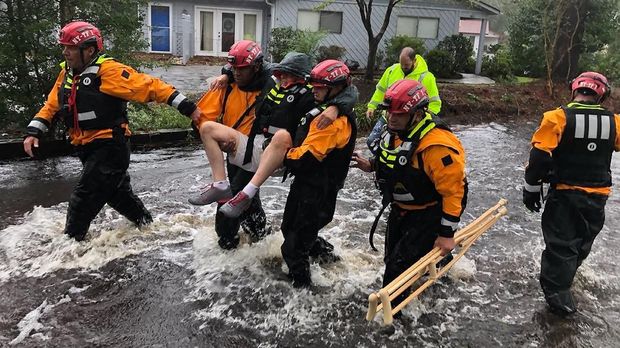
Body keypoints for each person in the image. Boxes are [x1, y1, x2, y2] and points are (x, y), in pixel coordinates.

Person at [22, 21, 200, 241]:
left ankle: (69, 248)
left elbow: (151, 86)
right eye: (64, 46)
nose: (65, 52)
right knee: (118, 196)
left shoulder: (109, 71)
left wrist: (189, 108)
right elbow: (52, 105)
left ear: (89, 50)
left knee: (83, 198)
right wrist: (34, 131)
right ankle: (150, 229)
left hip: (109, 147)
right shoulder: (66, 74)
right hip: (85, 147)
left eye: (69, 47)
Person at [351, 79, 467, 306]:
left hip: (429, 212)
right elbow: (399, 162)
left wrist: (446, 234)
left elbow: (454, 193)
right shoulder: (395, 130)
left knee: (396, 269)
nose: (392, 118)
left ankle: (394, 316)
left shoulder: (437, 145)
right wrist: (373, 165)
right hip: (402, 209)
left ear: (417, 113)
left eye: (399, 114)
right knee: (390, 257)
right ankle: (437, 266)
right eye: (390, 113)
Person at [523, 71, 619, 315]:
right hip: (598, 197)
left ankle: (559, 300)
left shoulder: (557, 117)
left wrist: (531, 187)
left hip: (565, 194)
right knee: (580, 244)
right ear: (602, 95)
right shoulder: (615, 122)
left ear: (574, 89)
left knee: (561, 244)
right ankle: (563, 286)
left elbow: (539, 156)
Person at [272, 59, 357, 288]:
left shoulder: (333, 122)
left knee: (293, 246)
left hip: (319, 190)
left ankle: (303, 293)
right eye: (314, 85)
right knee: (289, 229)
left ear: (337, 88)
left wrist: (281, 154)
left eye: (320, 87)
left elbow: (308, 158)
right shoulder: (327, 105)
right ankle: (332, 261)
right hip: (306, 186)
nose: (314, 90)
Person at [366, 47, 441, 151]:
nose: (403, 68)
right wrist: (372, 106)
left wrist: (423, 117)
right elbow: (381, 91)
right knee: (372, 141)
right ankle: (381, 164)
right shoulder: (391, 71)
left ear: (414, 61)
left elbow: (434, 102)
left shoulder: (427, 77)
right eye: (401, 65)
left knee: (405, 149)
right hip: (389, 116)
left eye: (406, 66)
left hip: (411, 121)